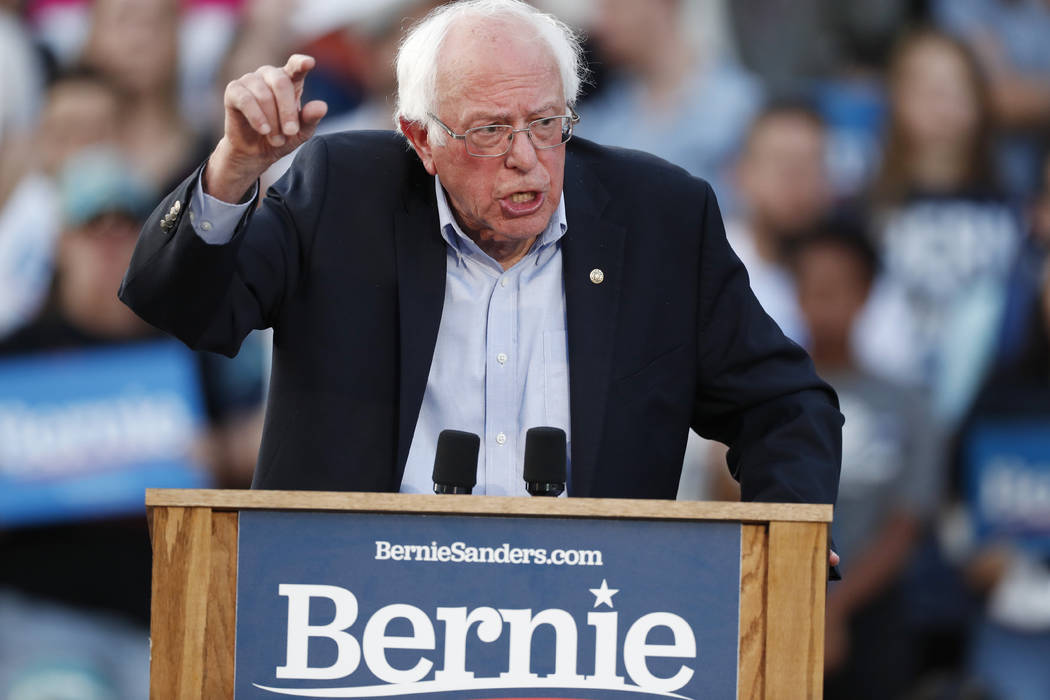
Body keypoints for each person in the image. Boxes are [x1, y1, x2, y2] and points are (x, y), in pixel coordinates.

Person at [119, 1, 841, 515]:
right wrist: (235, 169)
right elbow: (182, 304)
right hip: (354, 609)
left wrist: (788, 543)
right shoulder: (343, 192)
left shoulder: (661, 217)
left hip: (589, 617)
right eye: (491, 130)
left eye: (546, 123)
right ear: (419, 137)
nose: (526, 160)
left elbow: (784, 404)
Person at [789, 227, 944, 699]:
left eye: (838, 287)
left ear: (867, 293)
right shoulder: (761, 395)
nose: (824, 301)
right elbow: (728, 494)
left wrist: (834, 608)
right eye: (812, 286)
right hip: (776, 601)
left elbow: (906, 524)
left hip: (874, 614)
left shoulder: (908, 406)